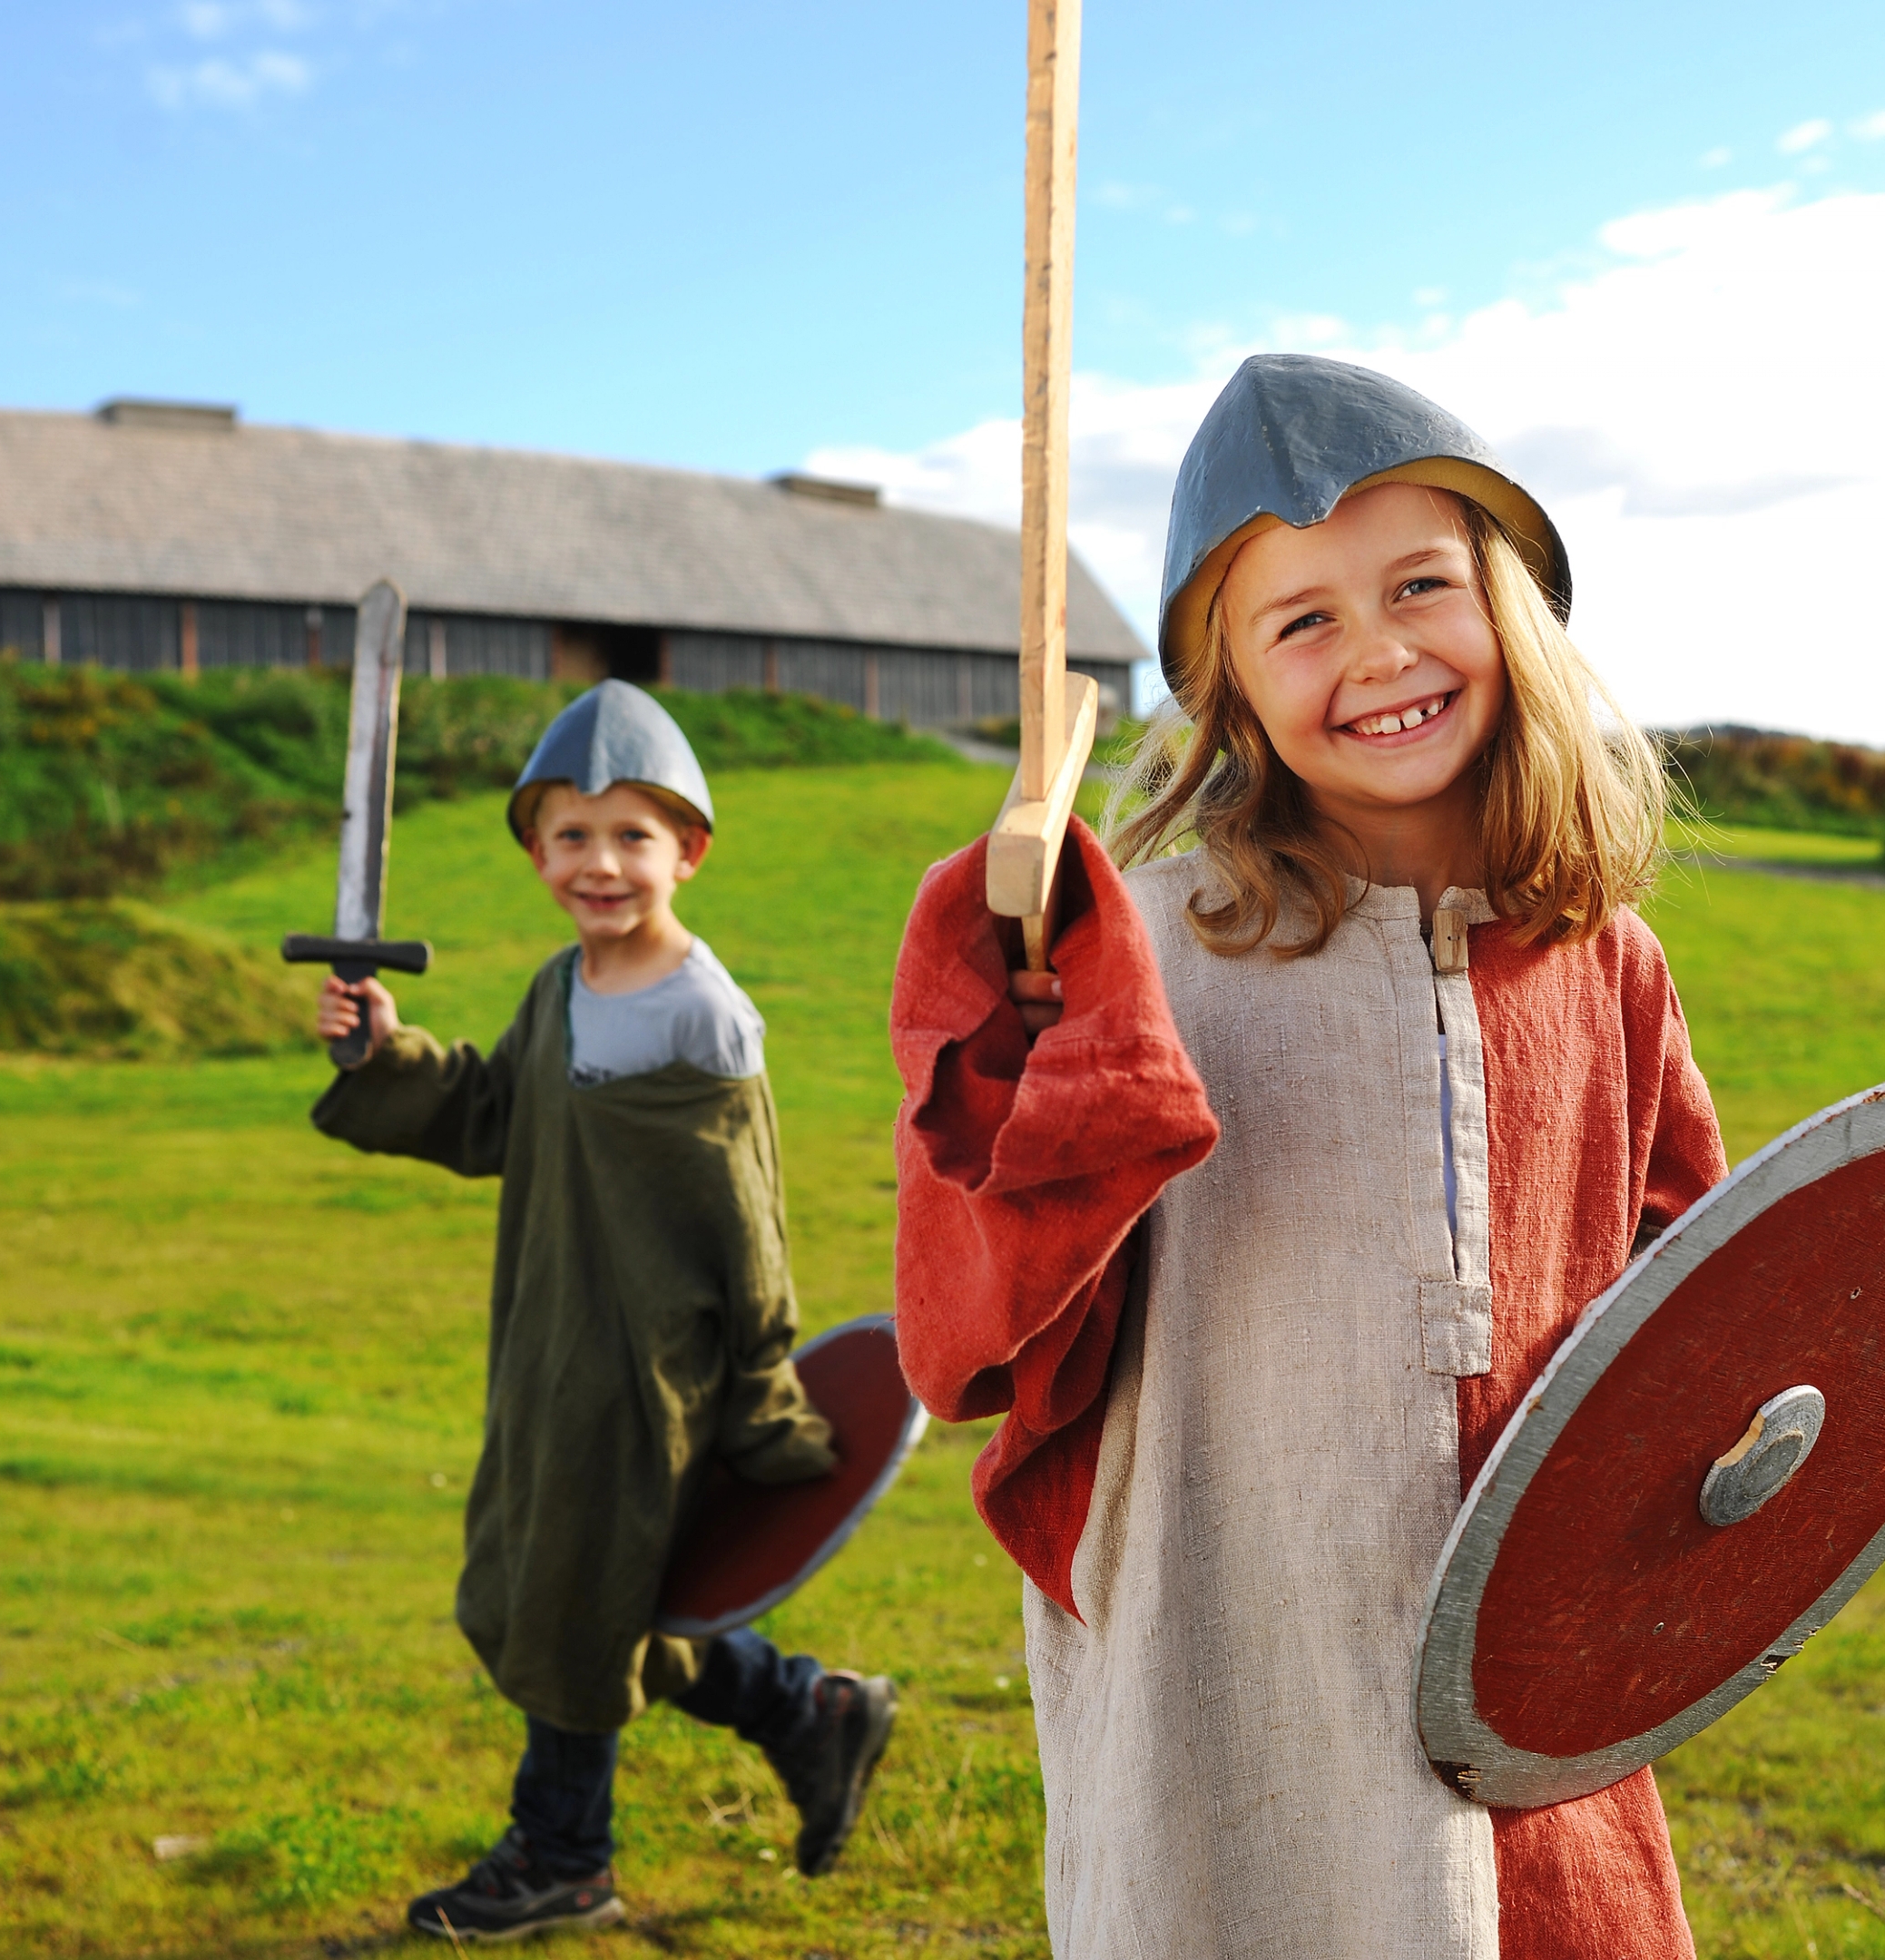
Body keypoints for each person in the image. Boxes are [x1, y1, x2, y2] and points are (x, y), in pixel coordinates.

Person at [888, 355, 1724, 1956]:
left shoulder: (1601, 960)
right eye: (1303, 621)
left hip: (1516, 1651)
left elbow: (1692, 1306)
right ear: (1233, 690)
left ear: (1512, 614)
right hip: (1234, 1626)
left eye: (1421, 585)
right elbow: (976, 1334)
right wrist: (1020, 1058)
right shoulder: (1148, 954)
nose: (1381, 653)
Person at [313, 680, 898, 1943]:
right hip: (547, 1346)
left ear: (688, 849)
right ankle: (811, 1710)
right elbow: (490, 1118)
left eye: (632, 834)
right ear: (536, 853)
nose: (601, 863)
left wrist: (763, 1391)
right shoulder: (560, 988)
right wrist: (382, 1052)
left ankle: (562, 1857)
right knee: (558, 1592)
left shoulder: (705, 1017)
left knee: (576, 1604)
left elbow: (749, 1228)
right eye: (570, 835)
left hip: (652, 1374)